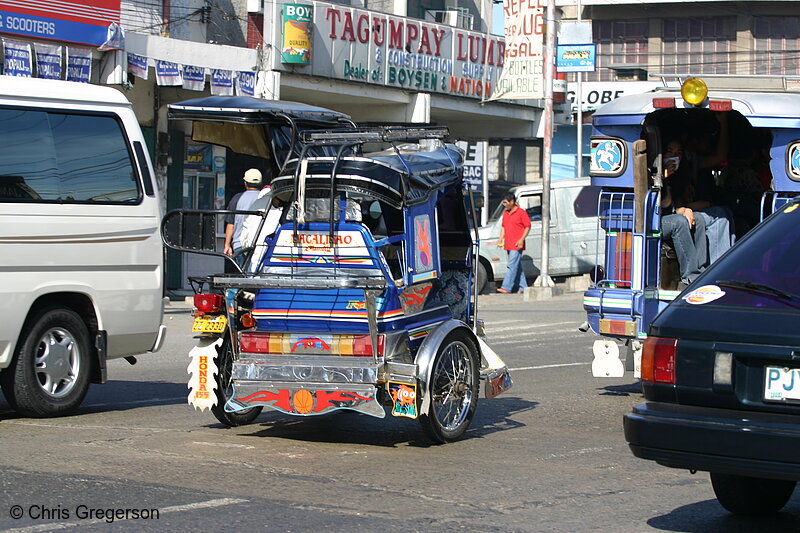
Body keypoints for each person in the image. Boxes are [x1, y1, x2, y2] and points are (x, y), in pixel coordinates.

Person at [661, 140, 708, 289]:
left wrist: (686, 210)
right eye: (670, 151)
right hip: (652, 221)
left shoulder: (678, 178)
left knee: (698, 219)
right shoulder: (652, 176)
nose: (674, 156)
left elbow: (675, 206)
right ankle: (690, 277)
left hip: (669, 217)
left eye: (678, 153)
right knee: (679, 222)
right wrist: (661, 179)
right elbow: (661, 205)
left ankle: (703, 270)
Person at [224, 168, 263, 267]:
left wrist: (227, 245)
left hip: (240, 245)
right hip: (260, 244)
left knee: (245, 275)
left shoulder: (237, 198)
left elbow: (231, 224)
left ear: (245, 183)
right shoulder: (266, 198)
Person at [496, 192, 531, 293]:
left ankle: (506, 287)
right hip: (508, 243)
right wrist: (500, 238)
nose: (504, 205)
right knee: (517, 266)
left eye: (505, 202)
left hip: (517, 244)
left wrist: (521, 239)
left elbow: (527, 226)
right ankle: (523, 287)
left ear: (512, 202)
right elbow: (504, 227)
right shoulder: (505, 213)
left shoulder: (521, 213)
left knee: (511, 265)